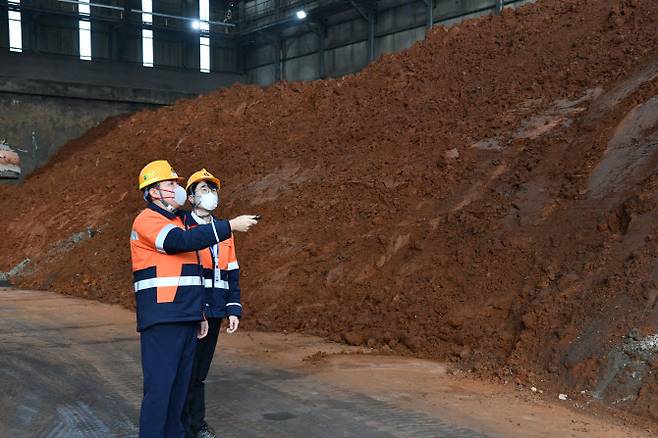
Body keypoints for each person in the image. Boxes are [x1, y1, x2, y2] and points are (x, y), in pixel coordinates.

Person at [130, 160, 258, 438]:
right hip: (163, 316)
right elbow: (179, 243)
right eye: (171, 183)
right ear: (153, 192)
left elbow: (192, 275)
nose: (176, 188)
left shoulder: (176, 221)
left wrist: (199, 313)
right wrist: (230, 226)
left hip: (185, 315)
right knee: (161, 389)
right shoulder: (148, 220)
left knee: (179, 389)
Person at [181, 169, 242, 438]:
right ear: (191, 197)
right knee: (185, 368)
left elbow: (232, 271)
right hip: (192, 310)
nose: (210, 195)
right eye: (203, 190)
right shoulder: (183, 227)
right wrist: (198, 310)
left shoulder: (225, 231)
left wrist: (233, 308)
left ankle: (197, 424)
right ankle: (183, 424)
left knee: (200, 372)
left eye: (213, 189)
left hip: (216, 309)